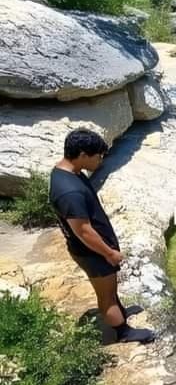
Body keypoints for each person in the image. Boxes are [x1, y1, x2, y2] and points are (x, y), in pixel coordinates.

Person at [49, 129, 155, 344]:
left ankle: (119, 312)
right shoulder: (70, 192)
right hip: (93, 253)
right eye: (98, 156)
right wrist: (109, 253)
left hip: (94, 250)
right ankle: (123, 332)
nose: (101, 160)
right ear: (82, 155)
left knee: (110, 288)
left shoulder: (67, 172)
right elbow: (83, 231)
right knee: (106, 296)